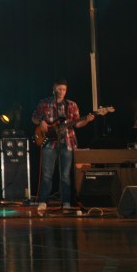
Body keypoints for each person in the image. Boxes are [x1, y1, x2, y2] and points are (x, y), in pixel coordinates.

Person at [31, 78, 94, 215]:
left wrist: (87, 120)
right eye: (59, 89)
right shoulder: (44, 103)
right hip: (49, 142)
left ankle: (66, 202)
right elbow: (34, 117)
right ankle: (43, 201)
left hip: (67, 141)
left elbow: (77, 124)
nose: (61, 92)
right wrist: (41, 121)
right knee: (47, 174)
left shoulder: (71, 105)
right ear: (54, 89)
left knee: (65, 175)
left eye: (64, 89)